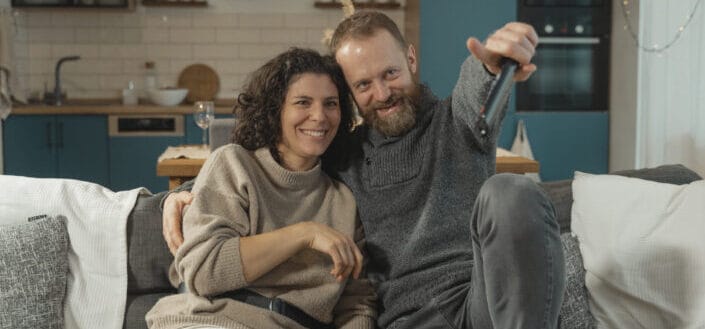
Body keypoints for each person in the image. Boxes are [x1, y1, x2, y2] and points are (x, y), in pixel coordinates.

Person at [163, 11, 565, 329]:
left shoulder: (456, 123)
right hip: (407, 320)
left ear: (410, 58)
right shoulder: (345, 156)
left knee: (512, 191)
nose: (383, 93)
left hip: (480, 304)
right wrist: (181, 195)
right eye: (363, 85)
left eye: (390, 73)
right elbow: (272, 166)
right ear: (350, 93)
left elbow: (476, 85)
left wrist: (492, 67)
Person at [146, 47, 377, 329]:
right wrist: (304, 234)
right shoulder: (234, 165)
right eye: (303, 102)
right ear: (275, 110)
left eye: (330, 103)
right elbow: (204, 272)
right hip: (212, 320)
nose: (319, 116)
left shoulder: (343, 201)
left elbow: (357, 303)